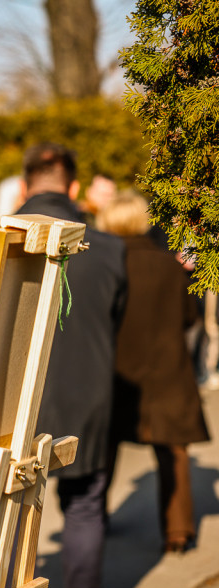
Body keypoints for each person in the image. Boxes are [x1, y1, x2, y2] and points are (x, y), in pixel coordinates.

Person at [0, 143, 127, 588]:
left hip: (9, 399)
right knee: (86, 506)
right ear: (73, 188)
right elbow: (117, 322)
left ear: (25, 187)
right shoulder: (110, 246)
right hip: (85, 390)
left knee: (8, 513)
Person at [100, 190, 209, 553]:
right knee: (173, 451)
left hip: (117, 372)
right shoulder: (169, 264)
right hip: (167, 371)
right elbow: (190, 317)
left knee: (106, 447)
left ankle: (93, 516)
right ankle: (178, 530)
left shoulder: (105, 266)